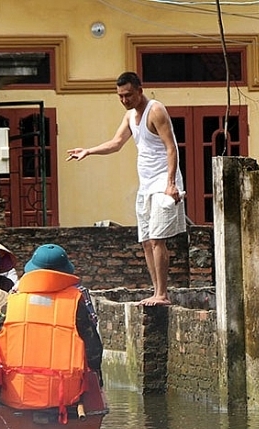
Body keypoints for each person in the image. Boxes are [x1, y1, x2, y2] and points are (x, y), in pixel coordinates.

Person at [67, 71, 186, 306]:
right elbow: (116, 143)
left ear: (140, 90)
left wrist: (171, 183)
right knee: (145, 240)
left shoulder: (156, 110)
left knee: (157, 239)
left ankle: (162, 294)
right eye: (120, 96)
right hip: (145, 184)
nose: (124, 100)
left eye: (128, 95)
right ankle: (155, 291)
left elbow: (172, 148)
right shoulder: (130, 116)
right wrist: (89, 151)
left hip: (163, 183)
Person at [0, 244, 104, 423]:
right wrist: (97, 380)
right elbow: (93, 350)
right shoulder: (76, 302)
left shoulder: (13, 302)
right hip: (63, 397)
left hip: (15, 394)